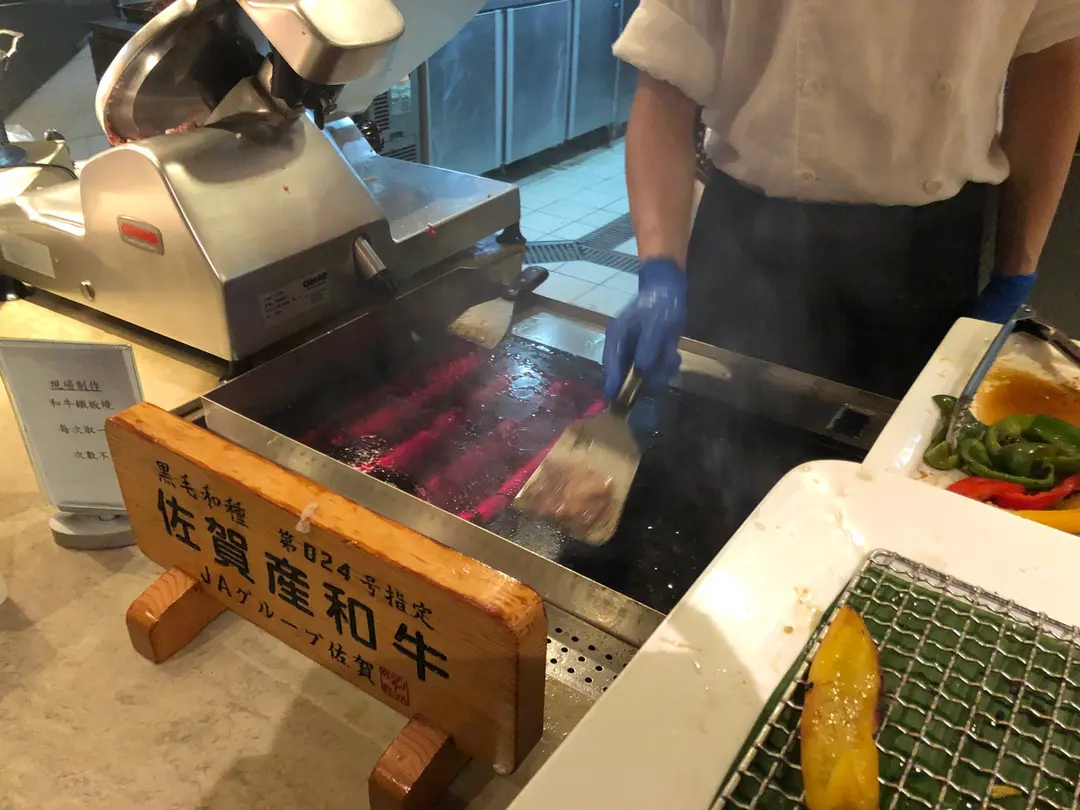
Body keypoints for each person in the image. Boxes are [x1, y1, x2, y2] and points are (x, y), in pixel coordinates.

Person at [601, 1, 1080, 401]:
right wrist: (660, 270)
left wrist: (1013, 278)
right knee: (702, 457)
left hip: (928, 261)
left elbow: (1053, 62)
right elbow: (667, 80)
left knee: (902, 471)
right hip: (747, 248)